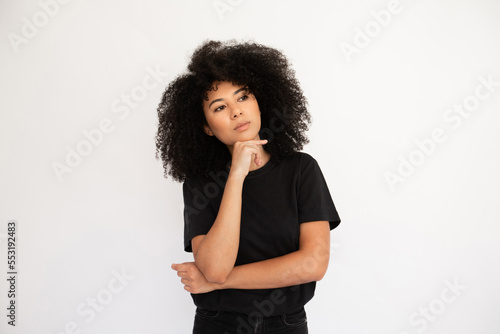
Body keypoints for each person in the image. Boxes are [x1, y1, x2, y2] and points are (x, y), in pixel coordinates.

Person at [155, 39, 341, 334]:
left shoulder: (301, 170)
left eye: (243, 97)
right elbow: (214, 267)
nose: (236, 112)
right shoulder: (200, 184)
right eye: (220, 107)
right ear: (205, 126)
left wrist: (221, 281)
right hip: (218, 322)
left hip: (286, 323)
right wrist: (237, 175)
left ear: (259, 100)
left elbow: (313, 264)